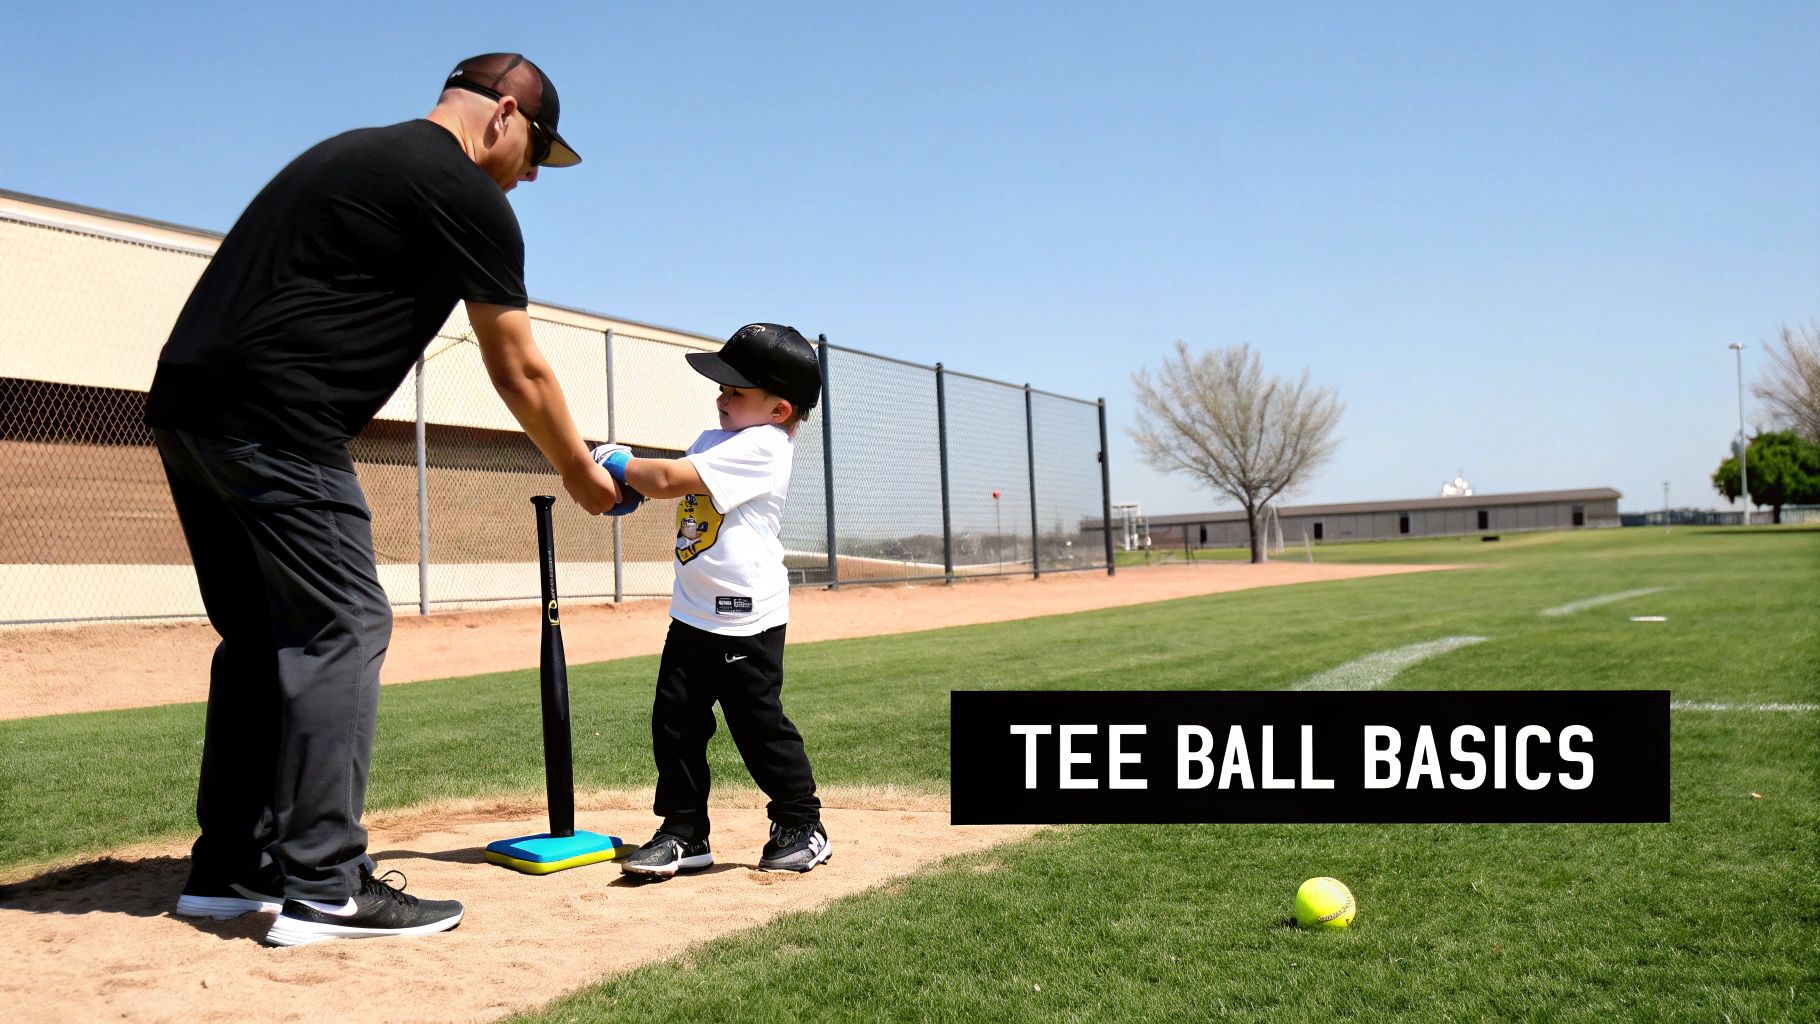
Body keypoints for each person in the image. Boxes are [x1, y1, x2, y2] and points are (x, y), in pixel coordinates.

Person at [145, 53, 620, 946]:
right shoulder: (465, 191)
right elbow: (517, 367)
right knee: (345, 625)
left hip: (187, 408)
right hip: (280, 418)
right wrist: (580, 471)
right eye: (534, 156)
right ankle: (326, 883)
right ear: (507, 115)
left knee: (261, 635)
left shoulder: (351, 152)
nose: (528, 179)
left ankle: (233, 867)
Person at [592, 323, 832, 877]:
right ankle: (684, 832)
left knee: (757, 725)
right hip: (693, 612)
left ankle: (801, 823)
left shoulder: (766, 447)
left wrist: (619, 463)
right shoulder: (715, 439)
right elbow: (668, 485)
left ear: (779, 410)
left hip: (746, 618)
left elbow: (671, 478)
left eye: (736, 391)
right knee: (674, 722)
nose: (721, 397)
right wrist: (624, 489)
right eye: (722, 388)